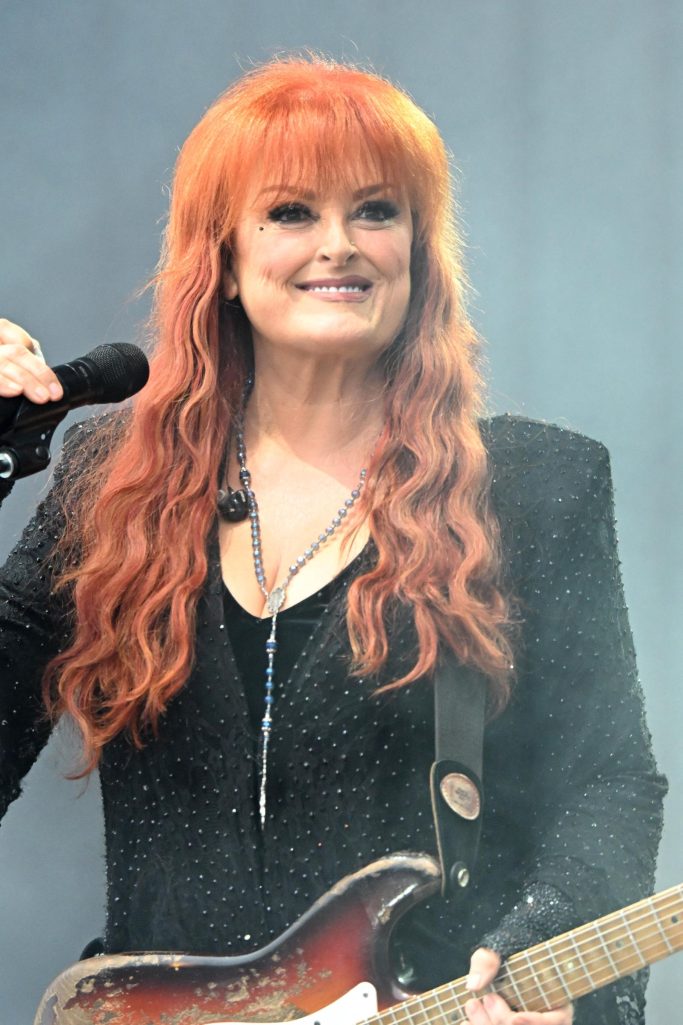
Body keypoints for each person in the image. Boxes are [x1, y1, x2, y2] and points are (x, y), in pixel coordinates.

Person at [0, 57, 666, 1025]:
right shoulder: (112, 485)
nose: (339, 244)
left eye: (375, 210)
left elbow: (609, 780)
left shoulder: (531, 489)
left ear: (417, 249)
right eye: (289, 212)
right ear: (222, 255)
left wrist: (544, 960)